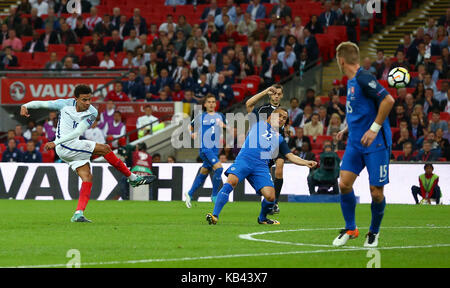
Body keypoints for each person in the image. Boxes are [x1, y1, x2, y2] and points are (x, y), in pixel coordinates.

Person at [20, 85, 155, 222]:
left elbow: (78, 132)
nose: (88, 103)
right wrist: (26, 105)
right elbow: (42, 104)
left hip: (69, 145)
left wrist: (56, 142)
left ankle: (78, 213)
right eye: (84, 100)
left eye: (89, 99)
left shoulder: (92, 112)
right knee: (106, 148)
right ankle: (132, 178)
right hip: (65, 145)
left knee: (87, 177)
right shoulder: (65, 104)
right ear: (76, 99)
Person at [206, 108, 317, 225]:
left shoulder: (279, 138)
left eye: (284, 118)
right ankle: (215, 215)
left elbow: (290, 156)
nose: (281, 119)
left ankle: (262, 218)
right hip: (244, 160)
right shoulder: (258, 123)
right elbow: (249, 105)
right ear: (271, 116)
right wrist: (266, 91)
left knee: (270, 197)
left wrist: (305, 162)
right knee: (231, 182)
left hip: (261, 167)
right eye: (279, 116)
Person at [332, 42, 395, 248]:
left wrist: (374, 129)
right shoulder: (350, 81)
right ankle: (351, 228)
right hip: (355, 143)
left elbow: (388, 100)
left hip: (375, 143)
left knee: (376, 192)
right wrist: (347, 129)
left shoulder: (364, 77)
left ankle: (374, 232)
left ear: (342, 60)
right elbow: (360, 111)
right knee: (344, 183)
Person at [246, 84, 285, 214]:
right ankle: (268, 201)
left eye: (279, 94)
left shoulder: (283, 112)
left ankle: (275, 202)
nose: (276, 96)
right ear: (270, 95)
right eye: (274, 93)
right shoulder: (262, 110)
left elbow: (283, 129)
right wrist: (264, 92)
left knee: (280, 166)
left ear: (282, 96)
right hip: (263, 146)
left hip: (277, 145)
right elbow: (249, 105)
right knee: (266, 174)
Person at [185, 94, 227, 208]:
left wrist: (222, 125)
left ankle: (189, 194)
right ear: (205, 104)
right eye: (209, 102)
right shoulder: (200, 116)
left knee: (204, 172)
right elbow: (190, 127)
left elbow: (228, 128)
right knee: (219, 168)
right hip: (205, 149)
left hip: (215, 149)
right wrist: (192, 134)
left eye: (213, 102)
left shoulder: (220, 116)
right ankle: (214, 196)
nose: (212, 104)